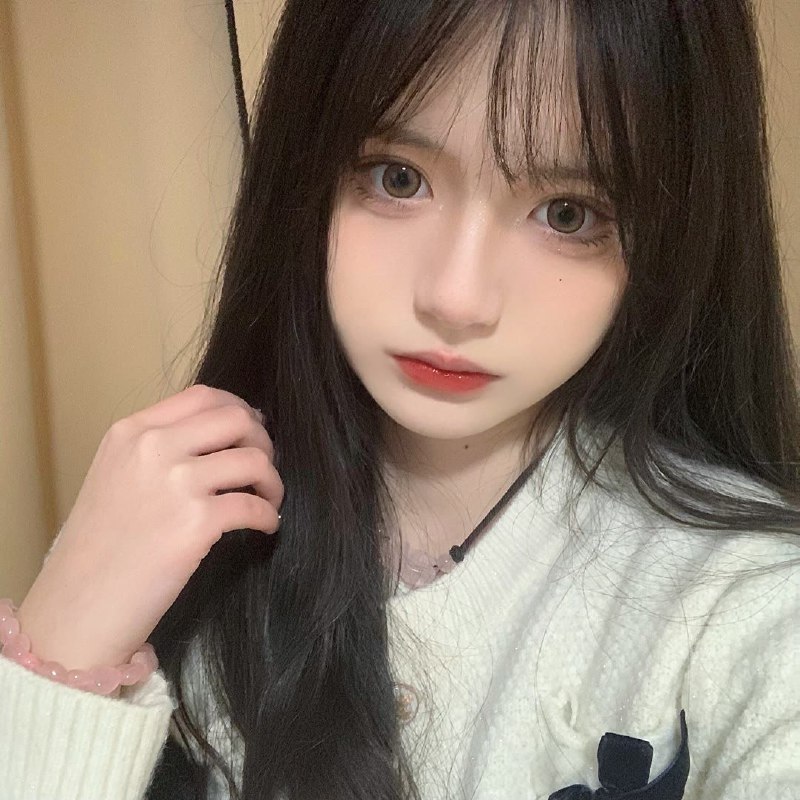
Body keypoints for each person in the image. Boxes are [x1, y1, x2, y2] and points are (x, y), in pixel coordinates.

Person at [1, 0, 799, 798]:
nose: (456, 299)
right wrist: (63, 644)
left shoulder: (745, 607)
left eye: (568, 214)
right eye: (398, 178)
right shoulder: (179, 531)